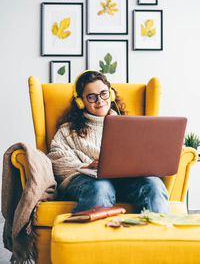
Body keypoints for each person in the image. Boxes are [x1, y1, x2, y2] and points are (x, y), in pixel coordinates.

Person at [47, 70, 170, 214]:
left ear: (110, 94)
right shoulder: (67, 130)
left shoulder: (130, 125)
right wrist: (86, 166)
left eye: (103, 93)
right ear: (81, 102)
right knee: (102, 187)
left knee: (154, 184)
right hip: (87, 180)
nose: (99, 100)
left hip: (126, 181)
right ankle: (88, 235)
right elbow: (55, 158)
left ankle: (157, 234)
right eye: (92, 97)